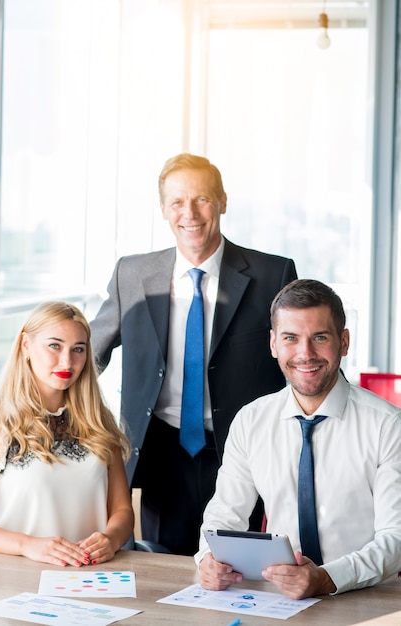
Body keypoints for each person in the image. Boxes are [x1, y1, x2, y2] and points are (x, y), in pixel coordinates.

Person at [90, 153, 298, 555]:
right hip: (162, 451)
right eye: (178, 202)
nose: (190, 213)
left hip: (241, 449)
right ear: (164, 210)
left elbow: (301, 355)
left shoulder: (274, 274)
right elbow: (88, 354)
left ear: (222, 201)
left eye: (202, 199)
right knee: (165, 569)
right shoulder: (132, 275)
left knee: (238, 566)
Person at [196, 278, 401, 598]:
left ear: (344, 342)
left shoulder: (387, 425)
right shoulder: (251, 421)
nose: (305, 354)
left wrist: (328, 578)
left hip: (365, 596)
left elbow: (396, 538)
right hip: (278, 596)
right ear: (273, 344)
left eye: (320, 337)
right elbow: (224, 517)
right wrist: (207, 559)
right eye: (291, 338)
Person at [0, 301, 134, 567]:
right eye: (54, 346)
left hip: (91, 577)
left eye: (78, 350)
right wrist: (29, 546)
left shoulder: (99, 422)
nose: (67, 361)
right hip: (19, 578)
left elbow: (122, 511)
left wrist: (111, 539)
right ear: (26, 345)